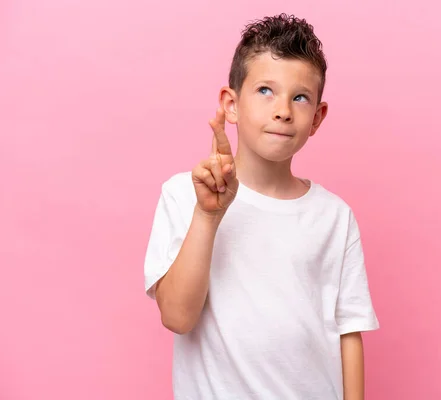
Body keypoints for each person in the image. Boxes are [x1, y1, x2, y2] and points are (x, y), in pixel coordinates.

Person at [143, 13, 379, 400]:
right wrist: (208, 215)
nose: (283, 110)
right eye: (266, 91)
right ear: (230, 105)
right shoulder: (184, 195)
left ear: (317, 118)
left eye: (299, 97)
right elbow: (177, 318)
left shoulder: (334, 216)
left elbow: (348, 331)